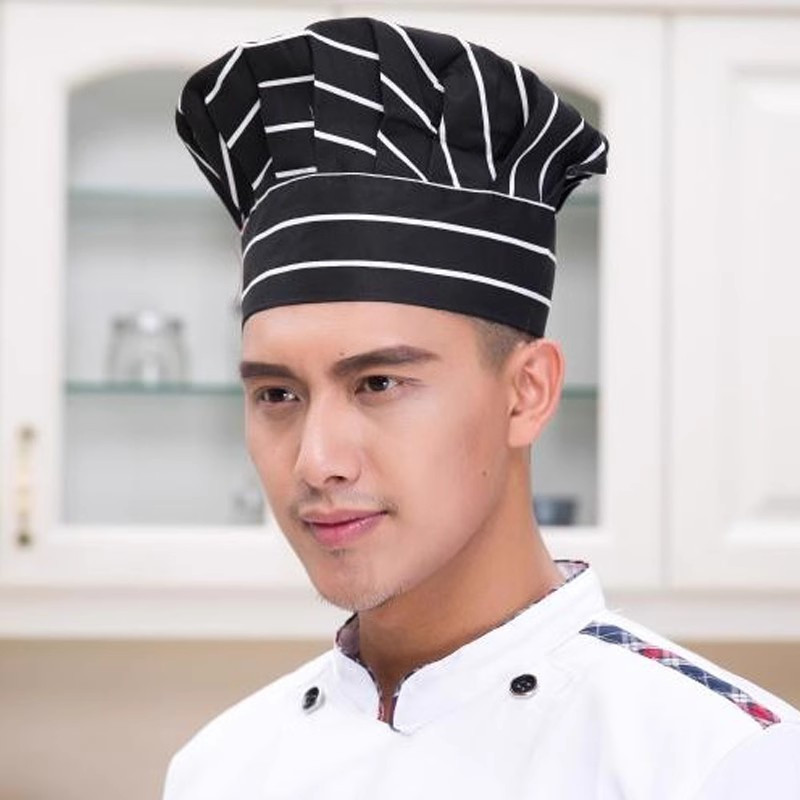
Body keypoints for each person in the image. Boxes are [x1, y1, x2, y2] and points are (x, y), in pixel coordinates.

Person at [165, 16, 800, 799]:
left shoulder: (723, 765)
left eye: (378, 383)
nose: (316, 460)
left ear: (527, 392)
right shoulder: (220, 770)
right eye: (278, 394)